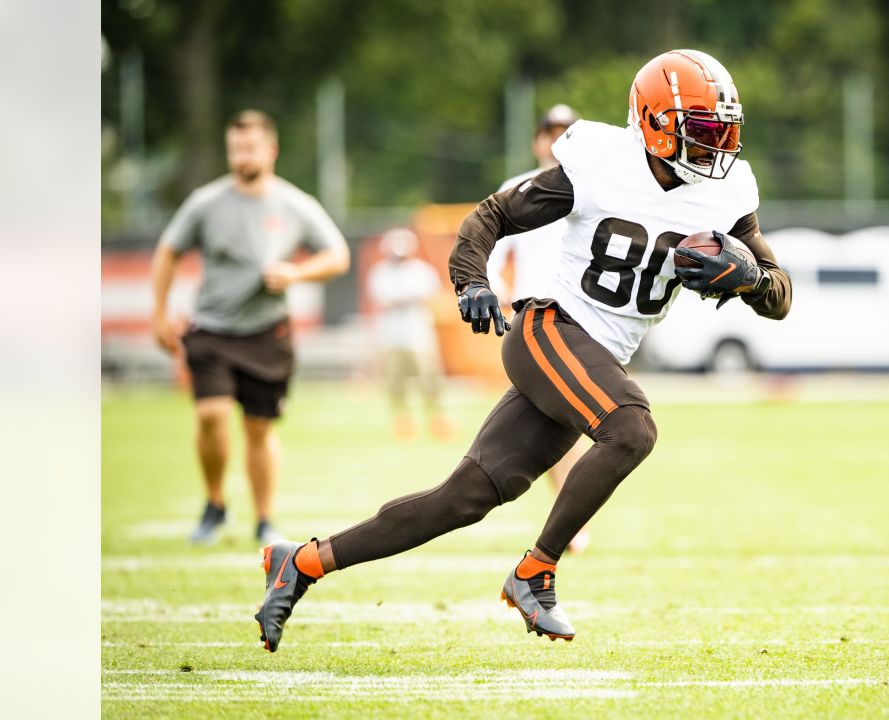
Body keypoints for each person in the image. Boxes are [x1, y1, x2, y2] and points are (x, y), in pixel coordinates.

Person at [254, 49, 792, 652]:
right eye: (702, 131)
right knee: (632, 428)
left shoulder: (726, 193)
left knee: (462, 499)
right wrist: (471, 282)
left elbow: (780, 294)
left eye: (723, 132)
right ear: (655, 123)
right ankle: (537, 572)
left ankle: (300, 563)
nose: (716, 148)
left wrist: (747, 277)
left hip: (595, 358)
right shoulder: (600, 161)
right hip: (549, 330)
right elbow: (492, 217)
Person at [150, 109, 350, 546]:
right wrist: (159, 313)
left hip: (267, 332)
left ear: (270, 150)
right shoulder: (205, 202)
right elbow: (168, 252)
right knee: (212, 415)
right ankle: (215, 503)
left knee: (259, 429)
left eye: (250, 147)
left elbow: (337, 255)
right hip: (211, 329)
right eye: (235, 147)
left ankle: (264, 519)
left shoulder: (295, 203)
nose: (242, 155)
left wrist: (295, 274)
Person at [487, 103, 593, 553]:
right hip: (533, 319)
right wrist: (488, 294)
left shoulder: (595, 188)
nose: (556, 140)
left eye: (566, 132)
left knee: (563, 422)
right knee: (562, 420)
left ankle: (562, 520)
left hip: (583, 318)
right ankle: (565, 524)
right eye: (549, 132)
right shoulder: (518, 189)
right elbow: (491, 252)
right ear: (535, 140)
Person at [368, 227, 452, 441]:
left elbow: (427, 296)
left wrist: (404, 298)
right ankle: (403, 423)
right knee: (395, 382)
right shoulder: (381, 272)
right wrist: (408, 297)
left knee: (430, 380)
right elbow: (385, 298)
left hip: (419, 335)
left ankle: (437, 420)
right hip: (392, 337)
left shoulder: (421, 270)